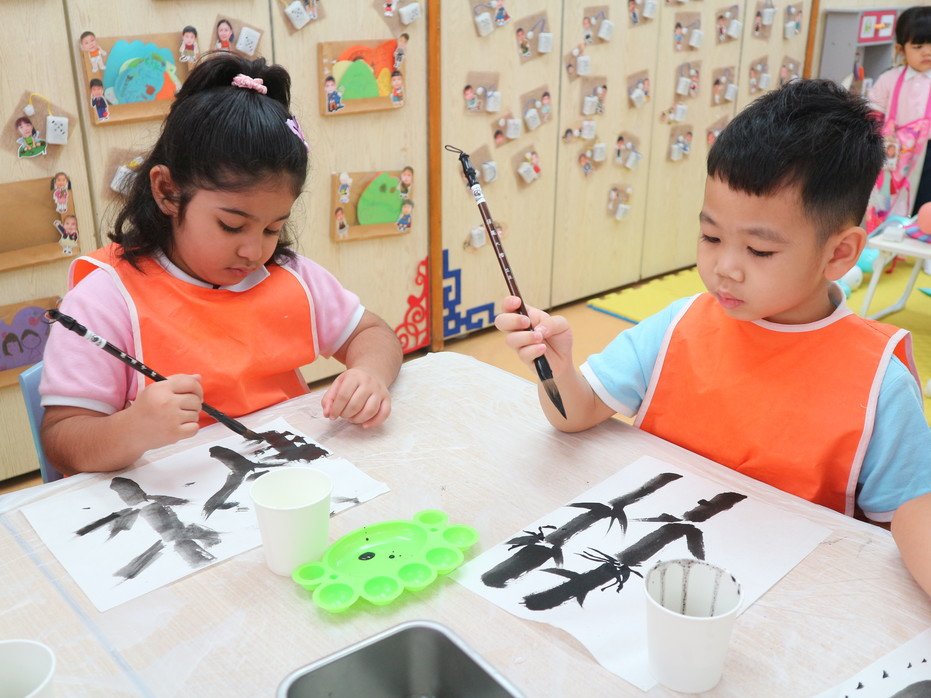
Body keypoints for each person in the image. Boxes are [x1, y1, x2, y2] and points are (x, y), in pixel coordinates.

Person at [494, 80, 931, 597]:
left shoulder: (879, 381)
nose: (725, 267)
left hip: (781, 603)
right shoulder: (678, 325)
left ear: (838, 254)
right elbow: (576, 414)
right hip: (645, 577)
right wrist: (557, 368)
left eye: (759, 251)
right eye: (711, 236)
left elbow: (905, 519)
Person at [40, 53, 403, 475]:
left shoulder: (288, 276)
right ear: (167, 191)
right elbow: (63, 441)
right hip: (172, 500)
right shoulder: (106, 299)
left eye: (272, 228)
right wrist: (134, 429)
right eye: (232, 226)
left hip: (284, 481)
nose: (254, 251)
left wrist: (370, 374)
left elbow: (373, 333)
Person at [865, 6, 931, 269]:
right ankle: (886, 246)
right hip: (893, 153)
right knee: (889, 199)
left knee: (926, 201)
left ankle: (926, 251)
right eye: (918, 46)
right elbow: (873, 111)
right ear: (901, 49)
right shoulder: (889, 79)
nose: (927, 52)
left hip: (927, 153)